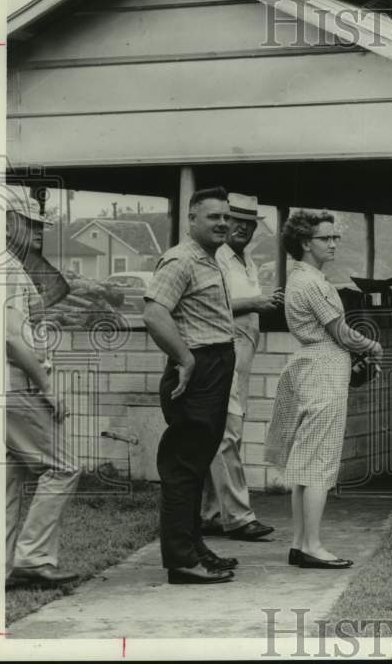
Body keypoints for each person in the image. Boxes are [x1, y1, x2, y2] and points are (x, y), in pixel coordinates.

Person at [265, 211, 382, 569]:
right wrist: (373, 347)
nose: (332, 243)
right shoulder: (311, 283)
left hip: (316, 366)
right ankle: (312, 545)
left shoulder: (301, 279)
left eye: (335, 238)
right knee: (319, 462)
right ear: (304, 243)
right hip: (324, 367)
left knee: (305, 463)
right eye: (324, 238)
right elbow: (341, 332)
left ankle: (301, 543)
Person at [144, 186, 240, 585]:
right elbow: (153, 313)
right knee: (184, 466)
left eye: (226, 217)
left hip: (213, 365)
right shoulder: (182, 259)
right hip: (196, 370)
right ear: (192, 219)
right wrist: (185, 358)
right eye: (212, 216)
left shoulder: (210, 259)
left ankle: (193, 547)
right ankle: (182, 561)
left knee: (197, 463)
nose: (222, 223)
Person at [3, 184, 81, 588]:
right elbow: (13, 338)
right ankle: (33, 558)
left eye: (41, 223)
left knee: (10, 477)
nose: (38, 230)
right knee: (65, 466)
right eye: (30, 222)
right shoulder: (6, 266)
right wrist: (46, 385)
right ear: (5, 223)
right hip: (14, 385)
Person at [200, 193, 281, 542]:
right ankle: (238, 516)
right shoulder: (214, 259)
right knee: (225, 434)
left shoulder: (244, 259)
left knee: (224, 433)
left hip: (242, 355)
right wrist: (256, 302)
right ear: (223, 222)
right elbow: (208, 305)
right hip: (222, 351)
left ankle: (212, 513)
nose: (243, 229)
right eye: (236, 221)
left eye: (250, 224)